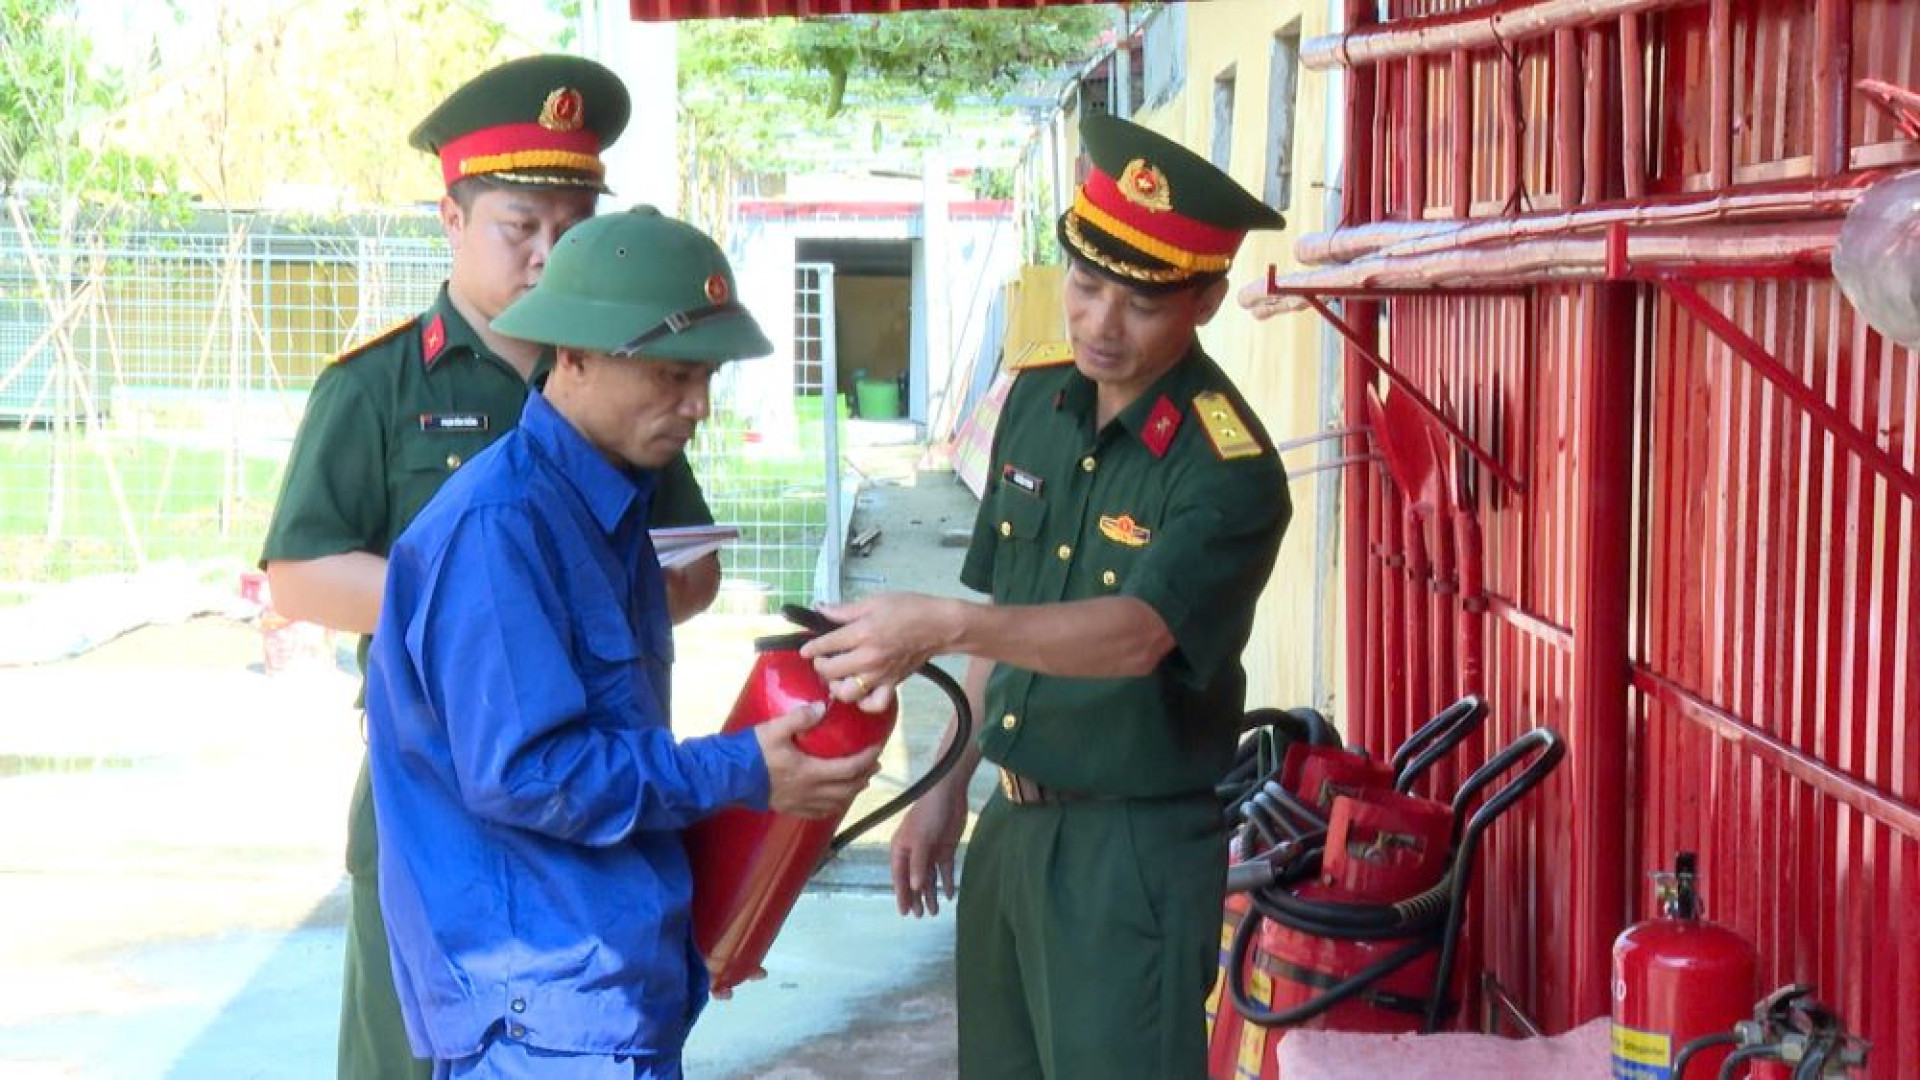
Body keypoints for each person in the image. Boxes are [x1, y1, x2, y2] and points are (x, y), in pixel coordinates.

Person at [800, 110, 1291, 1080]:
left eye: (1141, 303)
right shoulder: (1037, 401)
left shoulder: (1224, 467)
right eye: (1086, 284)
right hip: (1012, 830)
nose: (1101, 324)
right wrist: (946, 789)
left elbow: (1136, 636)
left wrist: (939, 621)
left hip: (1132, 852)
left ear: (1205, 301)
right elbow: (1007, 626)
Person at [258, 56, 719, 1080]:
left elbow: (688, 565)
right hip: (434, 786)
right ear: (453, 220)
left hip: (591, 780)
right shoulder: (378, 385)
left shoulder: (632, 378)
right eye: (524, 227)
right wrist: (489, 609)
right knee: (409, 1054)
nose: (550, 255)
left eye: (575, 226)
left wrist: (590, 605)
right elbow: (297, 575)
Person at [364, 205, 883, 1080]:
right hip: (541, 1019)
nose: (699, 407)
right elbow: (532, 773)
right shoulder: (501, 532)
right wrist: (741, 768)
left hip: (600, 1000)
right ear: (572, 356)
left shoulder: (600, 510)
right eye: (674, 376)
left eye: (707, 377)